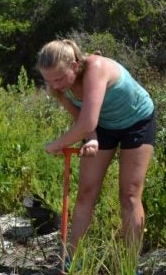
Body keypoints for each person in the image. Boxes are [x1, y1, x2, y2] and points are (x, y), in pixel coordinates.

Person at [36, 39, 156, 261]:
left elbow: (86, 123)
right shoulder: (58, 86)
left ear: (74, 65)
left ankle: (131, 268)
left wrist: (58, 144)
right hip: (102, 125)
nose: (54, 85)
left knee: (129, 195)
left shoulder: (96, 68)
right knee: (86, 193)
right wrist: (92, 139)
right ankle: (72, 262)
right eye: (48, 81)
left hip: (137, 121)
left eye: (59, 79)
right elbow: (83, 120)